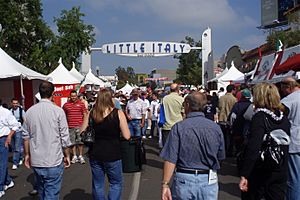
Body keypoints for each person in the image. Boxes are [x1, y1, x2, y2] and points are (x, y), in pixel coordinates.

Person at [160, 92, 225, 200]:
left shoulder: (179, 128)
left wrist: (165, 184)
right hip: (208, 178)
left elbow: (171, 158)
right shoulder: (215, 128)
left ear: (187, 105)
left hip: (184, 178)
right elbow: (221, 156)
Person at [239, 83, 290, 200]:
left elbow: (253, 147)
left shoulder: (260, 117)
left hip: (261, 168)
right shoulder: (283, 117)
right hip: (280, 167)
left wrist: (244, 174)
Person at [23, 81, 71, 200]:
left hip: (37, 160)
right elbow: (64, 136)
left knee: (42, 191)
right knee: (51, 193)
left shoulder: (29, 112)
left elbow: (25, 136)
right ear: (53, 93)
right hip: (53, 159)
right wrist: (67, 155)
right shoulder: (58, 111)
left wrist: (27, 155)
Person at [81, 88, 130, 200]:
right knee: (115, 183)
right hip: (113, 153)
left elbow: (82, 131)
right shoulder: (118, 113)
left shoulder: (92, 113)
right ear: (110, 98)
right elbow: (127, 136)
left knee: (98, 184)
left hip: (95, 152)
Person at [280, 77, 300, 200]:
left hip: (294, 142)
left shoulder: (288, 100)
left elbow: (279, 119)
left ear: (287, 87)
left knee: (293, 180)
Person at [0, 98, 20, 198]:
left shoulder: (5, 112)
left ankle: (0, 187)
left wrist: (9, 136)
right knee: (1, 164)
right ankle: (8, 181)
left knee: (2, 163)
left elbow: (15, 125)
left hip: (3, 139)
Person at [63, 90, 88, 164]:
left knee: (80, 142)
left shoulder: (81, 104)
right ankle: (74, 156)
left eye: (74, 96)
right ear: (70, 96)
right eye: (72, 96)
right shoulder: (66, 105)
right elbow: (63, 115)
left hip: (80, 126)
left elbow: (85, 114)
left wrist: (84, 125)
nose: (73, 97)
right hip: (70, 126)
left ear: (77, 96)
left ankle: (80, 155)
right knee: (72, 142)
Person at [218, 84, 237, 156]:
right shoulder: (234, 99)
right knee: (230, 137)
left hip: (222, 119)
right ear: (232, 90)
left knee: (223, 136)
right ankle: (229, 151)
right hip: (229, 120)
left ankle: (223, 150)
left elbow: (219, 107)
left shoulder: (221, 98)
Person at [9, 98, 26, 170]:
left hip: (19, 130)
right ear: (11, 104)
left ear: (18, 104)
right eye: (14, 103)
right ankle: (21, 157)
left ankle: (15, 163)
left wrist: (24, 128)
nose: (15, 104)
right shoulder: (9, 111)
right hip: (11, 131)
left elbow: (25, 120)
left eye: (16, 103)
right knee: (13, 147)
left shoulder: (21, 111)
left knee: (17, 146)